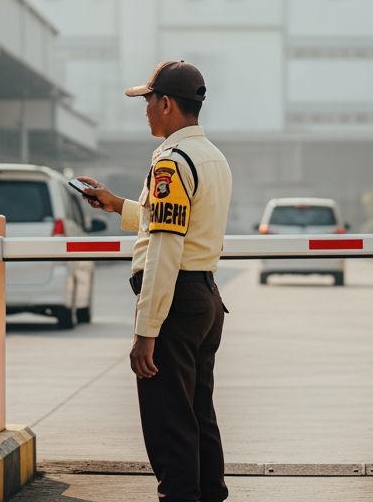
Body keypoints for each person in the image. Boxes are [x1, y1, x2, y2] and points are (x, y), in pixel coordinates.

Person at [77, 60, 233, 502]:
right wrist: (116, 205)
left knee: (170, 426)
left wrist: (146, 332)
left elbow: (165, 248)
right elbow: (171, 223)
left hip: (177, 303)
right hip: (204, 299)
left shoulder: (172, 162)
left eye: (147, 101)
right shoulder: (210, 157)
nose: (144, 110)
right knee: (198, 416)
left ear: (166, 103)